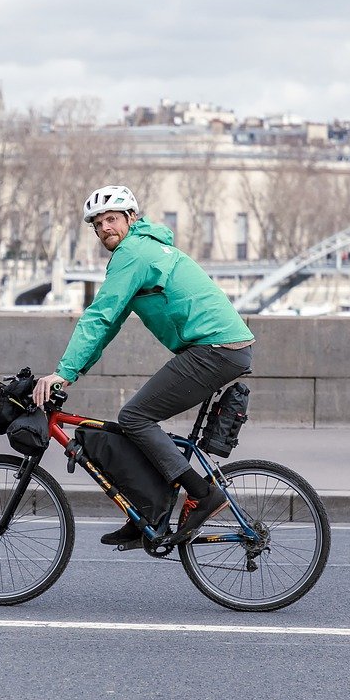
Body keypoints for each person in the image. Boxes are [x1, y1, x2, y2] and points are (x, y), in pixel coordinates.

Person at [31, 185, 255, 546]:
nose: (105, 227)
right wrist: (71, 373)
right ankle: (146, 508)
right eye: (98, 223)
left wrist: (63, 373)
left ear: (130, 219)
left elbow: (99, 316)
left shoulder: (132, 253)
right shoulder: (144, 247)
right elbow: (111, 323)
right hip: (218, 347)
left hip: (215, 348)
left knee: (135, 418)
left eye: (112, 219)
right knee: (134, 425)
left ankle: (202, 493)